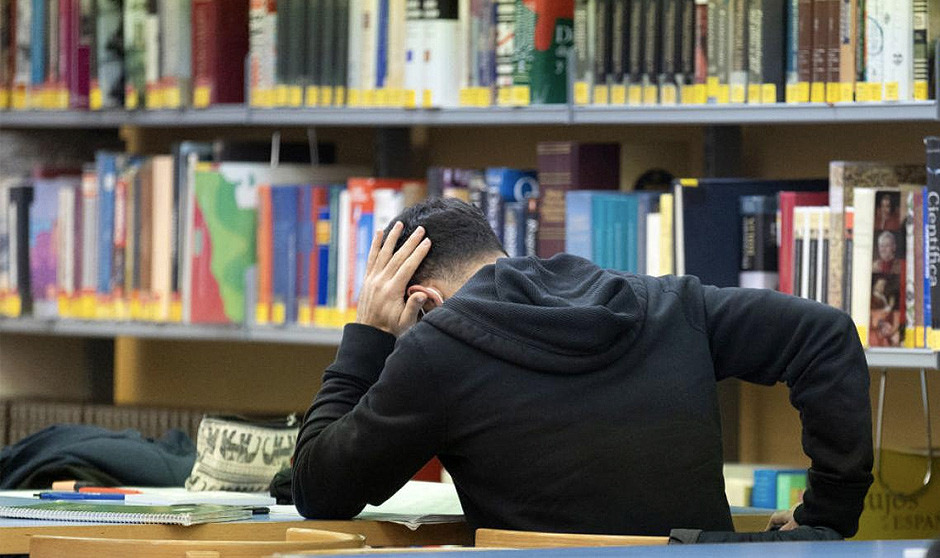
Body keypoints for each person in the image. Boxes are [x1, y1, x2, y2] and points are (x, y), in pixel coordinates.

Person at [291, 197, 873, 540]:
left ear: (423, 301)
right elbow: (825, 334)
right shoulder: (659, 301)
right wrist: (827, 518)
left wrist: (369, 334)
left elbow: (320, 489)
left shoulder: (438, 348)